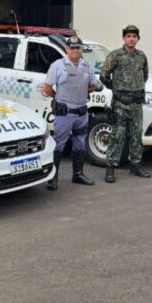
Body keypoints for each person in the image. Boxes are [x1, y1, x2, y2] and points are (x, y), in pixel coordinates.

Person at [43, 35, 102, 190]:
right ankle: (52, 178)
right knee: (59, 145)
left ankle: (78, 174)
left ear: (81, 49)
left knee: (80, 143)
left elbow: (93, 86)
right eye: (72, 48)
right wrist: (59, 99)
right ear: (66, 49)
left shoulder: (87, 67)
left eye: (78, 48)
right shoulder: (58, 65)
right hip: (64, 114)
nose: (75, 50)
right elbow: (47, 88)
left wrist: (83, 91)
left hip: (81, 113)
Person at [100, 24, 151, 183]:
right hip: (120, 104)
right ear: (124, 38)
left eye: (134, 36)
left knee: (136, 135)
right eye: (128, 36)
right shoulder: (115, 55)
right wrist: (116, 89)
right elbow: (104, 75)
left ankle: (135, 166)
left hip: (136, 104)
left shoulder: (141, 56)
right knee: (117, 136)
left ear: (138, 39)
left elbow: (145, 76)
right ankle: (110, 168)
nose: (131, 39)